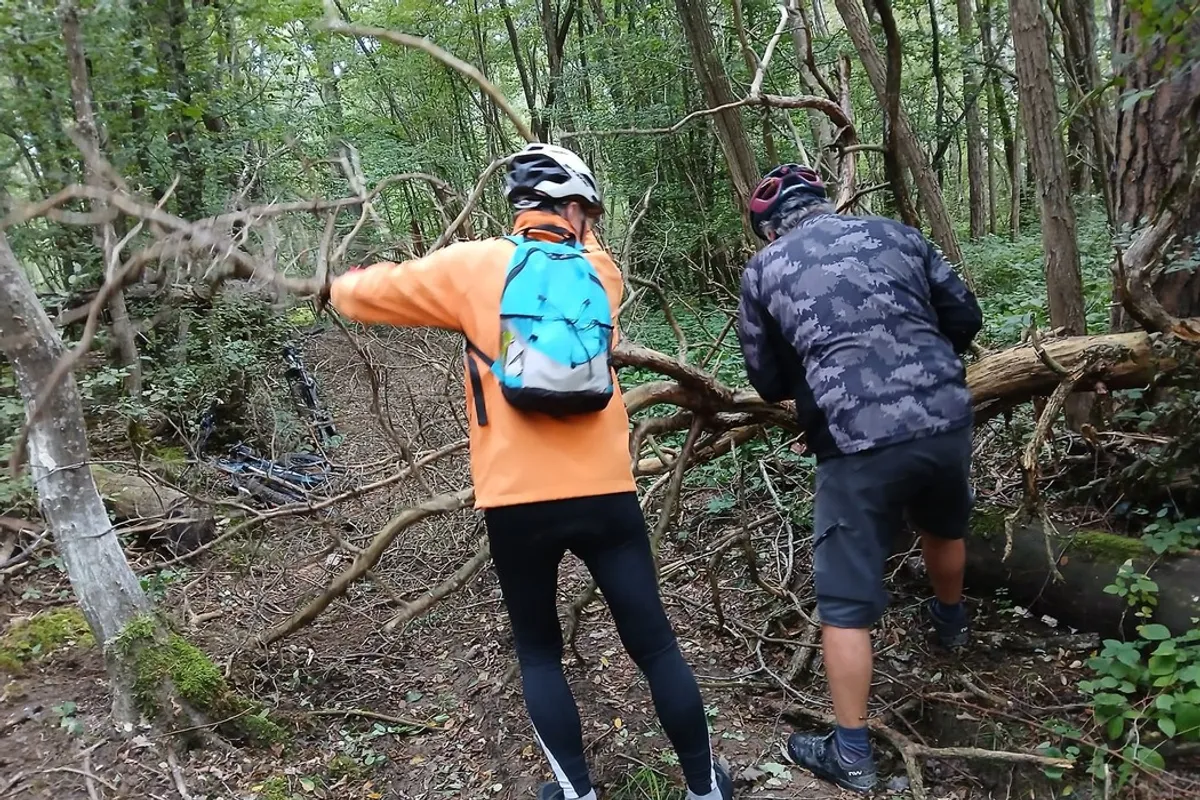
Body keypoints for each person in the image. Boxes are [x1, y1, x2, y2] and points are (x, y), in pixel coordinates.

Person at [329, 143, 733, 800]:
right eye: (587, 211)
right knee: (656, 646)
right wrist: (583, 224)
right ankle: (705, 788)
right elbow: (586, 247)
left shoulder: (472, 266)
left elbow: (363, 295)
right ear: (575, 210)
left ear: (518, 206)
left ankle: (577, 794)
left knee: (540, 652)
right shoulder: (601, 272)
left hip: (516, 500)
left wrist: (341, 282)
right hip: (606, 492)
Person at [736, 164, 983, 794]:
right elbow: (964, 316)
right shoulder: (898, 233)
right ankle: (951, 626)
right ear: (824, 202)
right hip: (946, 417)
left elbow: (766, 378)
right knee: (943, 525)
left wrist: (819, 383)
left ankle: (850, 755)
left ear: (769, 228)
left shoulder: (764, 270)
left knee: (844, 604)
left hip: (855, 439)